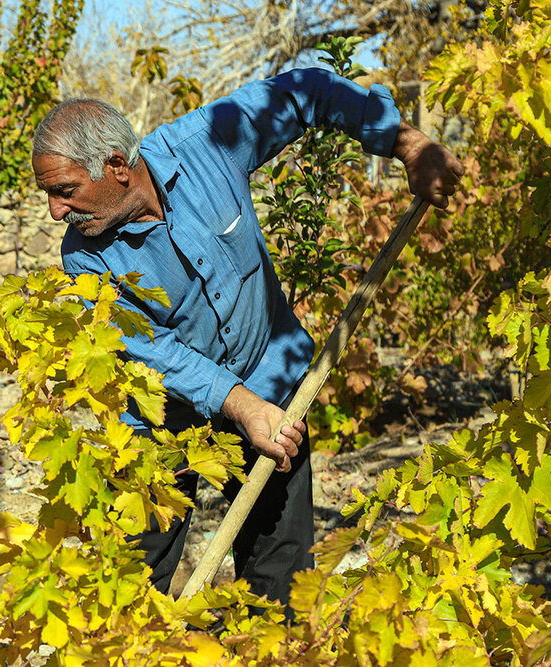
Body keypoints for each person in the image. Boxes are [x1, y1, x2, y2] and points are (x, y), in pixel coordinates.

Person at [30, 67, 464, 609]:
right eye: (49, 195)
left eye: (65, 192)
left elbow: (307, 92)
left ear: (117, 166)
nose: (56, 212)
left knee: (280, 570)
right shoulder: (84, 257)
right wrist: (240, 406)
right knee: (132, 584)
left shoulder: (207, 145)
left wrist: (407, 144)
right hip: (159, 423)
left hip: (268, 382)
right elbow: (153, 354)